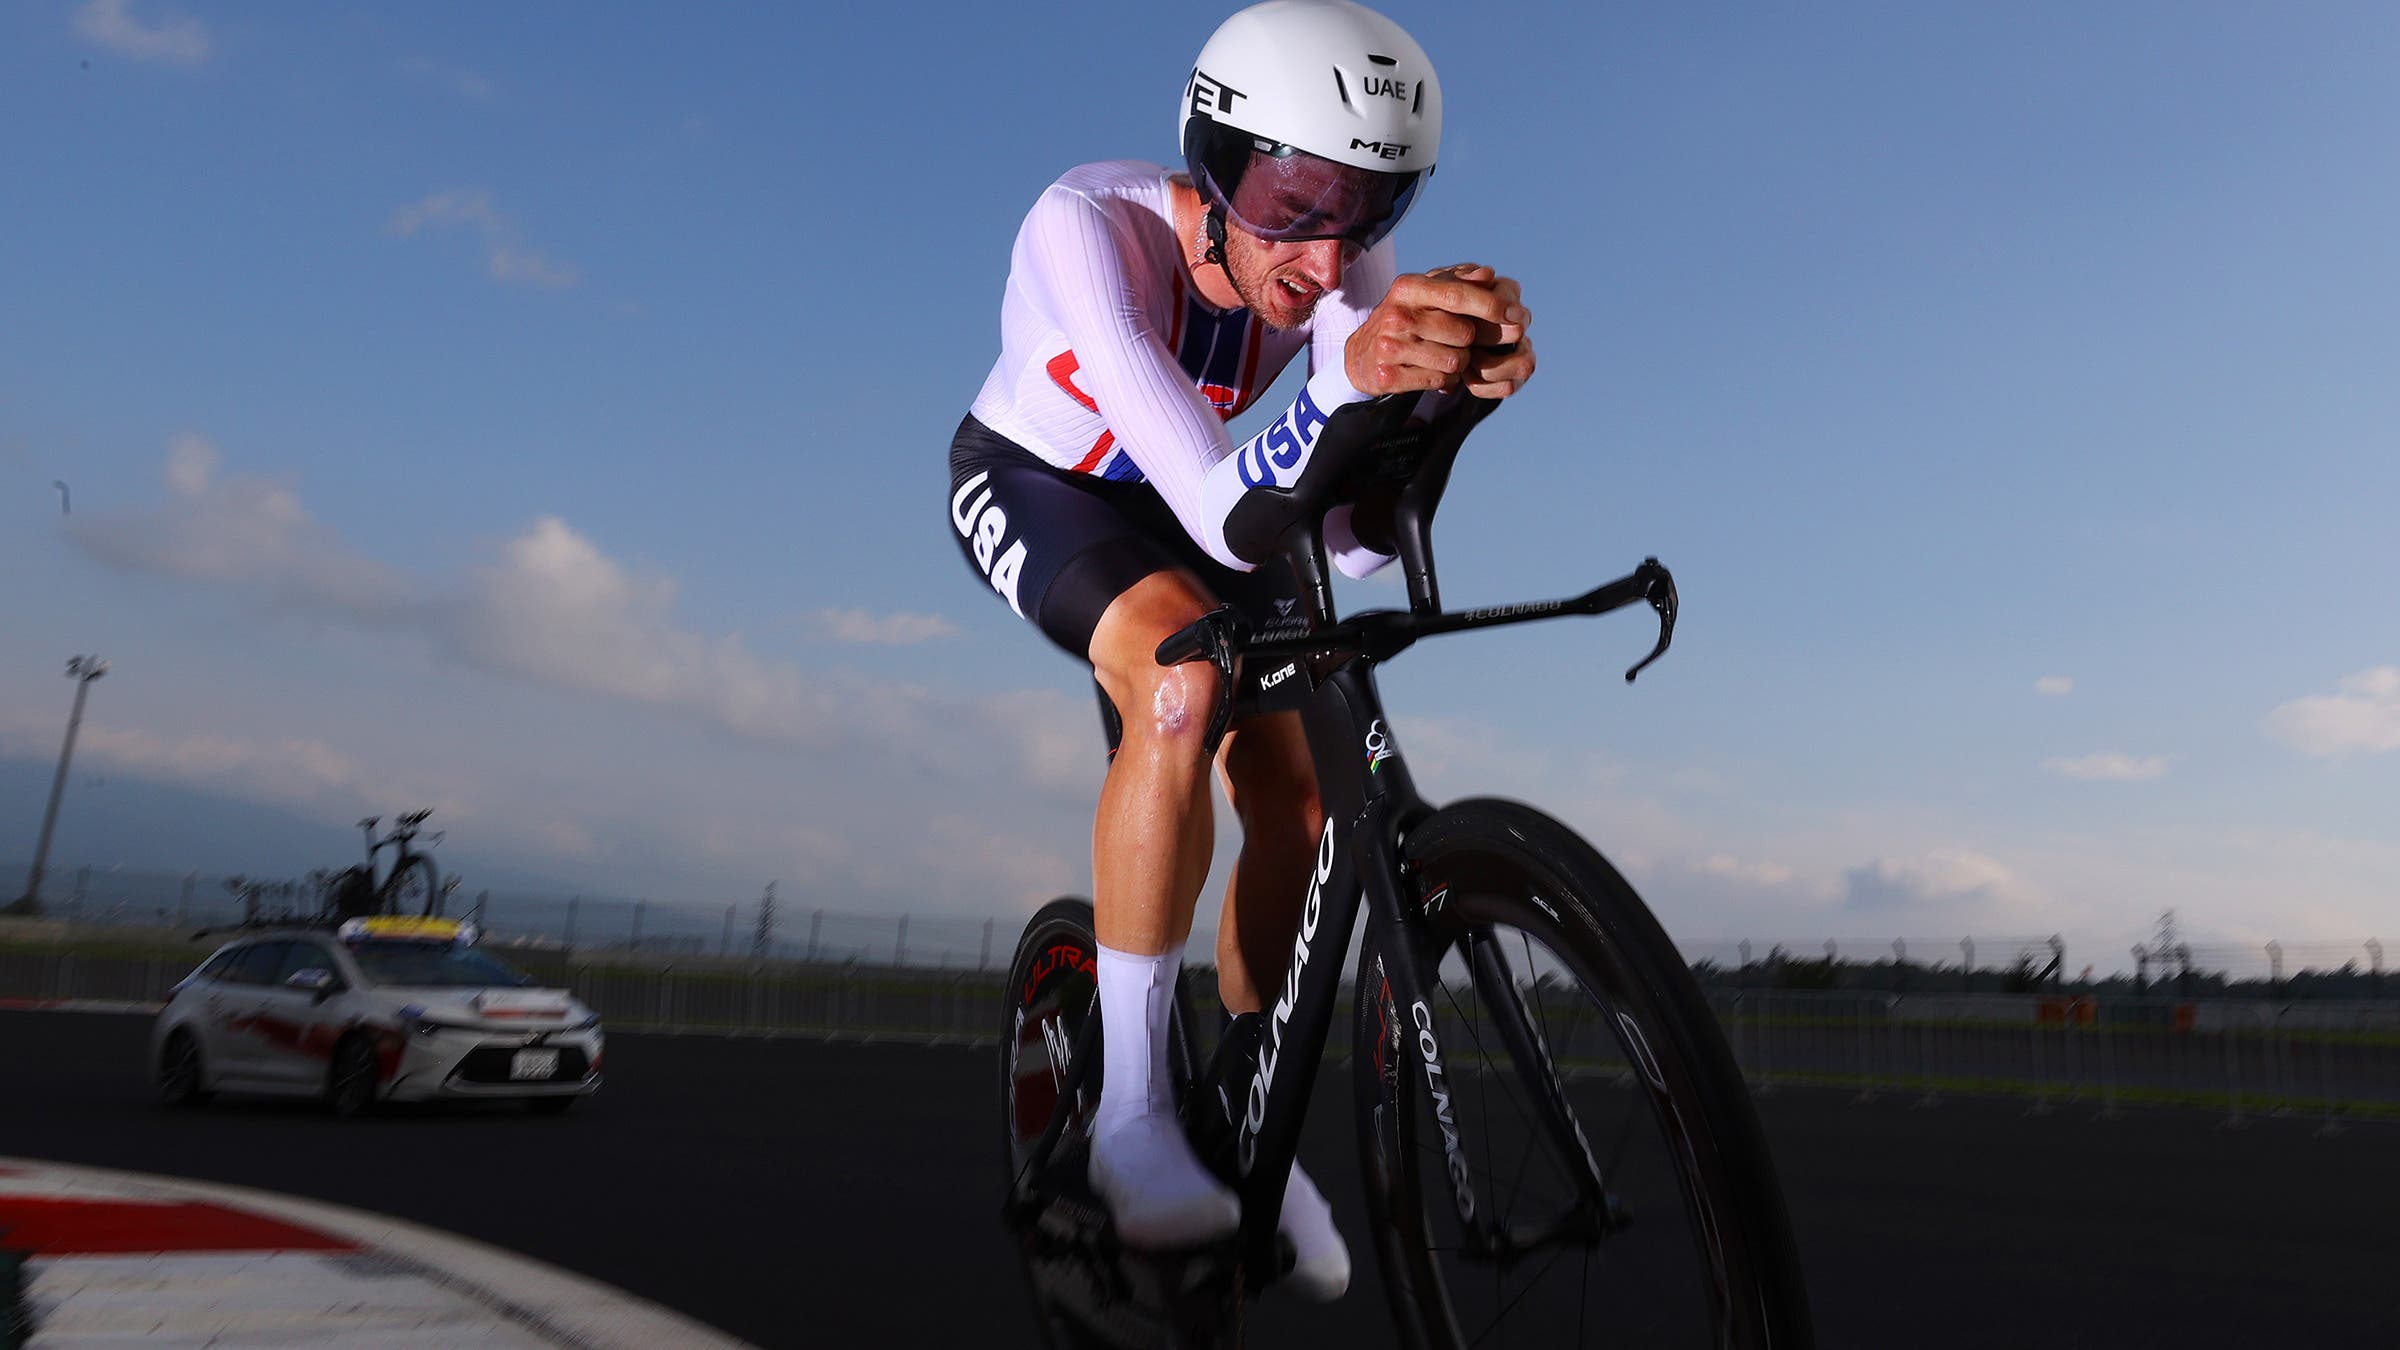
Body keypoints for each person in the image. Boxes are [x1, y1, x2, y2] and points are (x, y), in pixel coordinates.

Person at [947, 0, 1533, 1301]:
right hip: (1052, 489)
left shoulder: (1334, 272)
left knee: (1313, 796)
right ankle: (1130, 1118)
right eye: (1298, 197)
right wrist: (1345, 385)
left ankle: (1240, 1112)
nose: (1330, 259)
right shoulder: (1083, 232)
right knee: (1180, 682)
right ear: (1216, 161)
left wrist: (1440, 405)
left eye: (1374, 211)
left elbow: (1361, 545)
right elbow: (1221, 506)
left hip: (1209, 499)